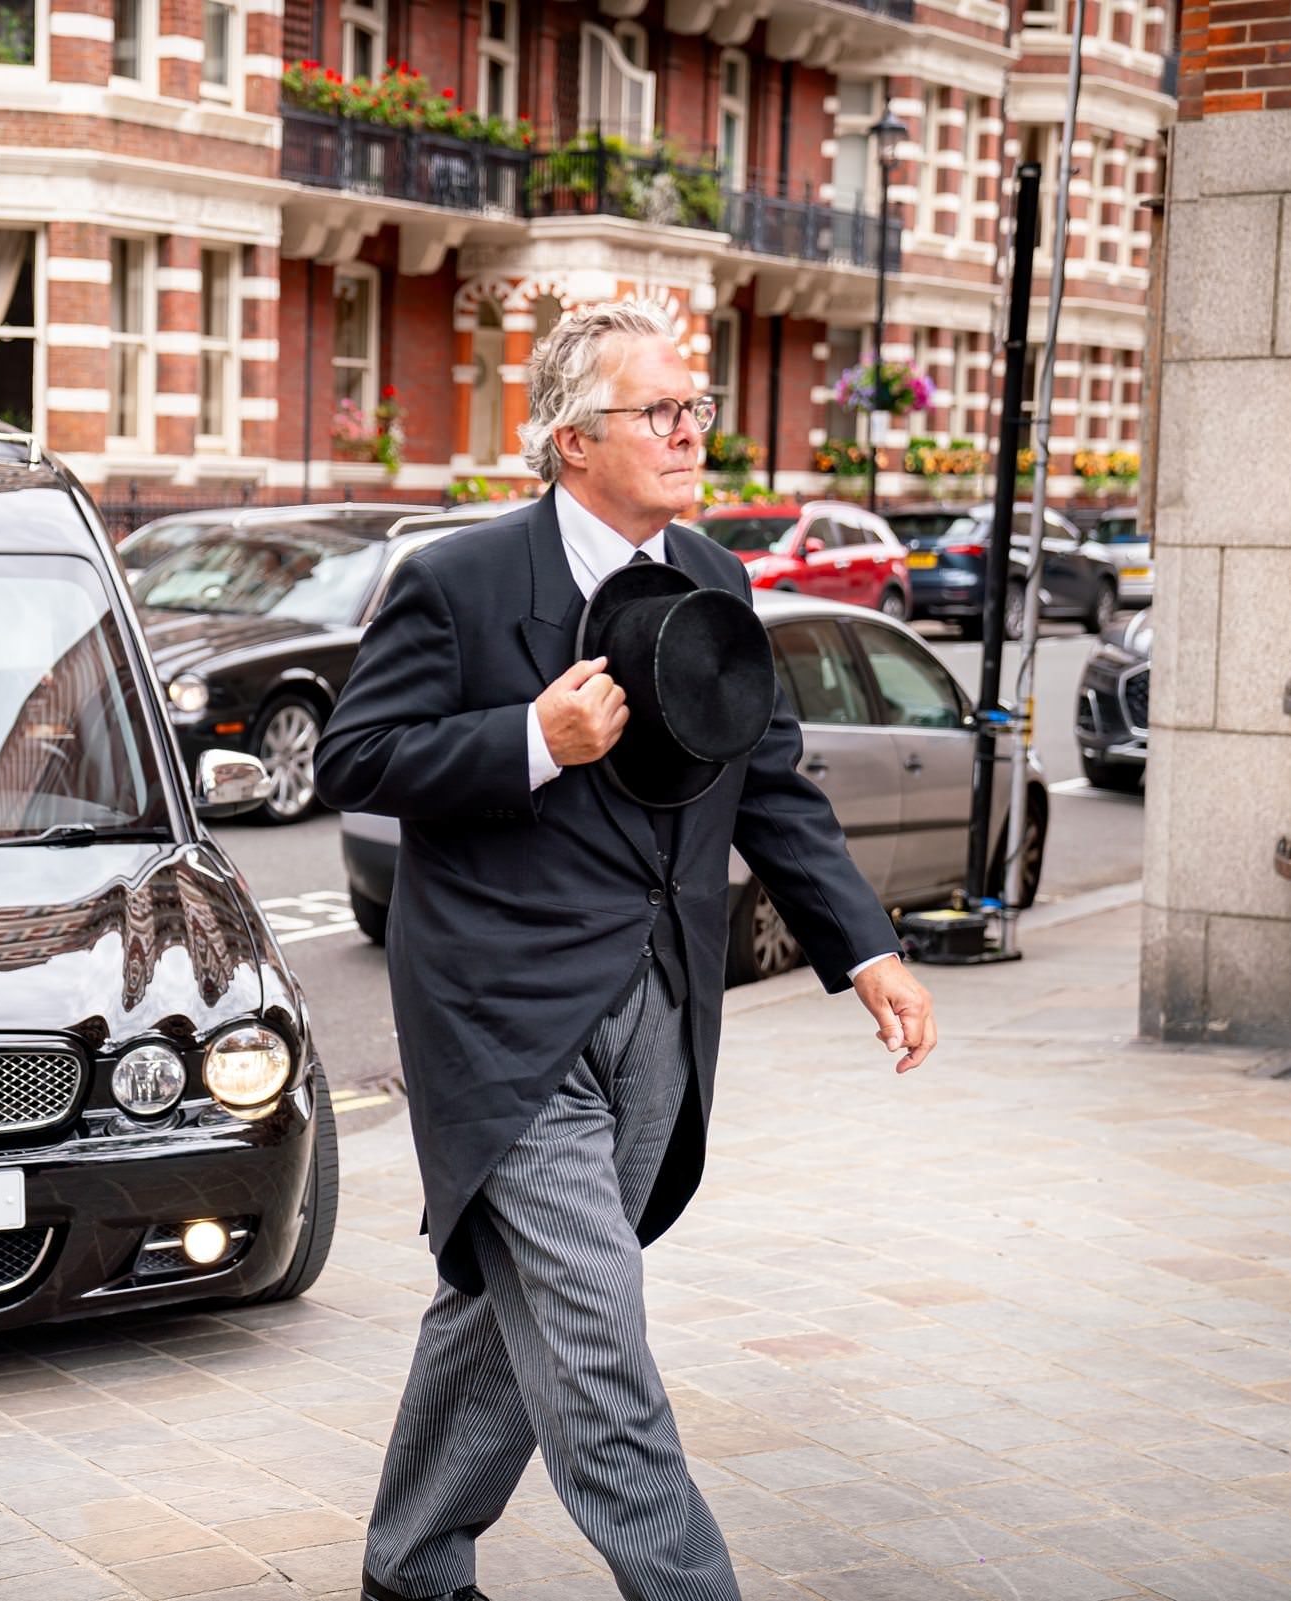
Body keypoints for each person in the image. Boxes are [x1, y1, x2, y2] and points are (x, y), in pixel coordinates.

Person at [314, 299, 938, 1601]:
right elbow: (352, 758)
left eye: (694, 409)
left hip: (658, 1014)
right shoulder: (465, 581)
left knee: (509, 1307)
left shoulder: (712, 577)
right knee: (597, 1342)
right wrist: (532, 737)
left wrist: (864, 947)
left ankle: (410, 1571)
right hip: (505, 1021)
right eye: (659, 411)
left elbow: (764, 776)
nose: (689, 431)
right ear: (569, 439)